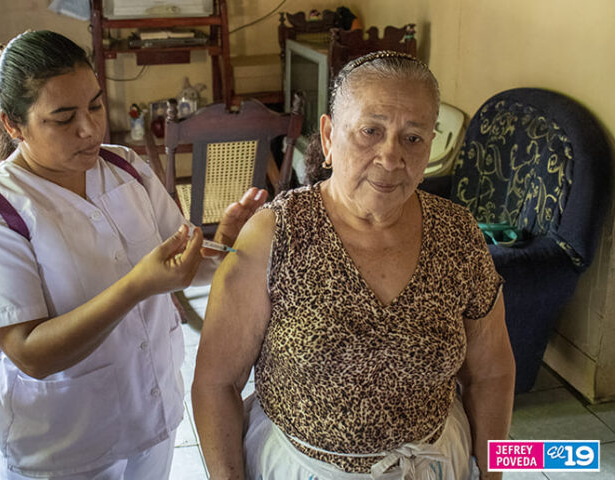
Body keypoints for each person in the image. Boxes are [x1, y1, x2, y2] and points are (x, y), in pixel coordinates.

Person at [0, 30, 266, 479]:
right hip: (64, 445)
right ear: (13, 125)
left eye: (95, 106)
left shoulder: (125, 168)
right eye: (63, 119)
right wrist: (137, 287)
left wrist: (224, 247)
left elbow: (178, 267)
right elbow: (29, 353)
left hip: (151, 417)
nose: (89, 128)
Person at [192, 51, 516, 480]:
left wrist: (493, 474)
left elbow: (493, 372)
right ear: (328, 137)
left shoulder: (457, 236)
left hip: (436, 462)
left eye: (413, 137)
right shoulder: (276, 235)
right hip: (301, 466)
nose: (390, 156)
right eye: (370, 131)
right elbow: (216, 384)